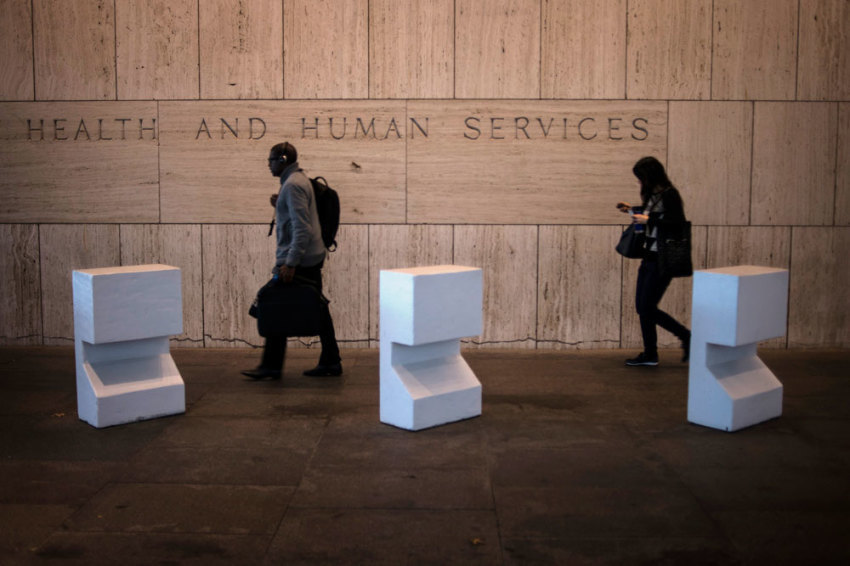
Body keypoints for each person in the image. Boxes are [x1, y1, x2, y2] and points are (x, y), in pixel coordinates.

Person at [242, 142, 342, 380]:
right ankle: (330, 360)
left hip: (301, 259)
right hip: (310, 256)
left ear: (283, 159)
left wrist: (290, 262)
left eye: (271, 160)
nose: (269, 164)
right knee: (315, 306)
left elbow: (302, 228)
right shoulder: (296, 182)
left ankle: (272, 366)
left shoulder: (293, 186)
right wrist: (281, 206)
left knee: (275, 301)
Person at [617, 156, 691, 367]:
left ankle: (685, 336)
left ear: (651, 176)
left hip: (662, 259)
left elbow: (677, 223)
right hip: (649, 256)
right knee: (643, 307)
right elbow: (652, 219)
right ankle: (650, 353)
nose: (639, 183)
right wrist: (632, 210)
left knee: (647, 307)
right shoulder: (653, 196)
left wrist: (649, 219)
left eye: (641, 178)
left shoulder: (670, 195)